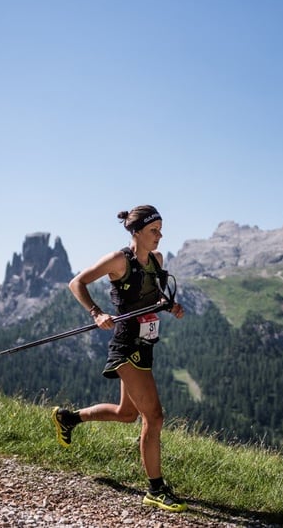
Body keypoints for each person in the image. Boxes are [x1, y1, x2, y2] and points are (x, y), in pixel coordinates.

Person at [52, 204, 187, 513]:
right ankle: (155, 489)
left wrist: (169, 305)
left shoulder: (157, 260)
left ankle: (68, 418)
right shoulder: (118, 260)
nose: (159, 236)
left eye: (160, 230)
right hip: (127, 346)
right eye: (153, 230)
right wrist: (96, 313)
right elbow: (76, 283)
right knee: (154, 417)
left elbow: (154, 295)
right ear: (136, 232)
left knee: (127, 413)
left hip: (146, 343)